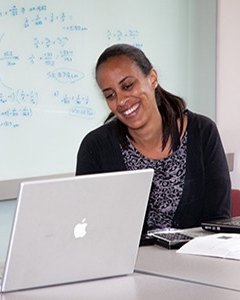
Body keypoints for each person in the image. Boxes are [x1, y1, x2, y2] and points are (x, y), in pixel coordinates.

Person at [76, 44, 231, 234]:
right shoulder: (95, 147)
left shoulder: (202, 132)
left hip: (195, 259)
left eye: (127, 86)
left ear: (152, 78)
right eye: (110, 95)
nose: (121, 101)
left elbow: (219, 219)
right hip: (127, 263)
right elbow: (90, 225)